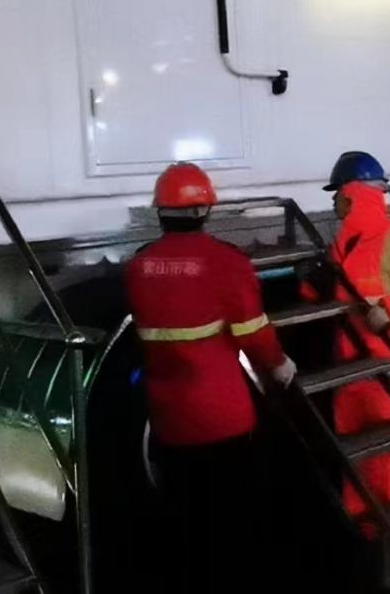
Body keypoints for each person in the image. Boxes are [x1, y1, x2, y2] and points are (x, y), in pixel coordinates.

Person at [125, 162, 297, 593]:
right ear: (204, 210)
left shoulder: (140, 267)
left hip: (170, 421)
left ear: (160, 212)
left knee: (186, 521)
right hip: (223, 419)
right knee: (233, 524)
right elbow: (253, 334)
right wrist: (280, 366)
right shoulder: (227, 263)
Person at [301, 151, 390, 564]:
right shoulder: (344, 245)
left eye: (336, 195)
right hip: (356, 374)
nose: (333, 203)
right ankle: (375, 547)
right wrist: (312, 284)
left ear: (351, 194)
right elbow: (328, 294)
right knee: (362, 465)